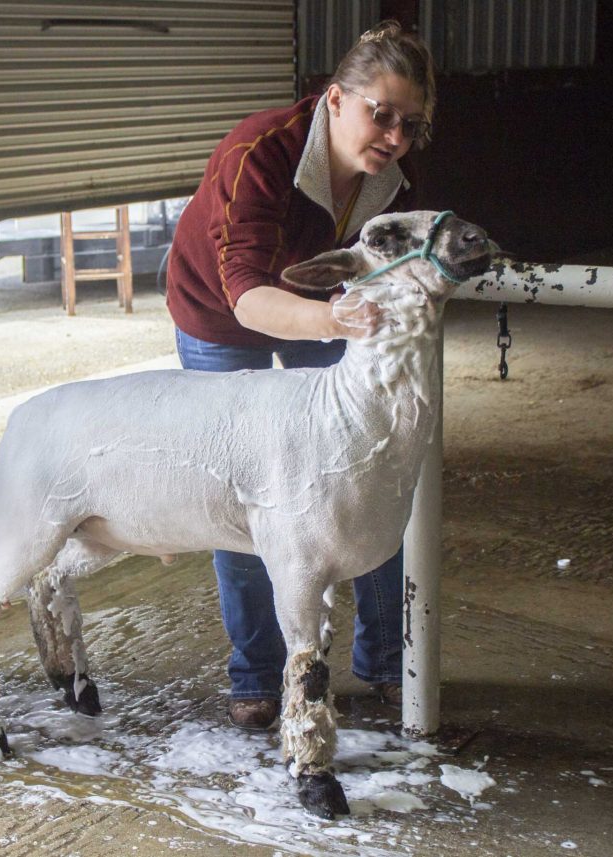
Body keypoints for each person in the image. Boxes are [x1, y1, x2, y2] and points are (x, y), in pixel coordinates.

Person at [166, 20, 436, 730]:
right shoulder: (262, 151)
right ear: (336, 98)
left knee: (372, 473)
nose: (396, 137)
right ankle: (257, 673)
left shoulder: (396, 184)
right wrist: (332, 322)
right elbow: (246, 294)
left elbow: (393, 272)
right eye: (382, 114)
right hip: (221, 313)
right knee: (246, 493)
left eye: (412, 125)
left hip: (329, 304)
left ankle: (386, 660)